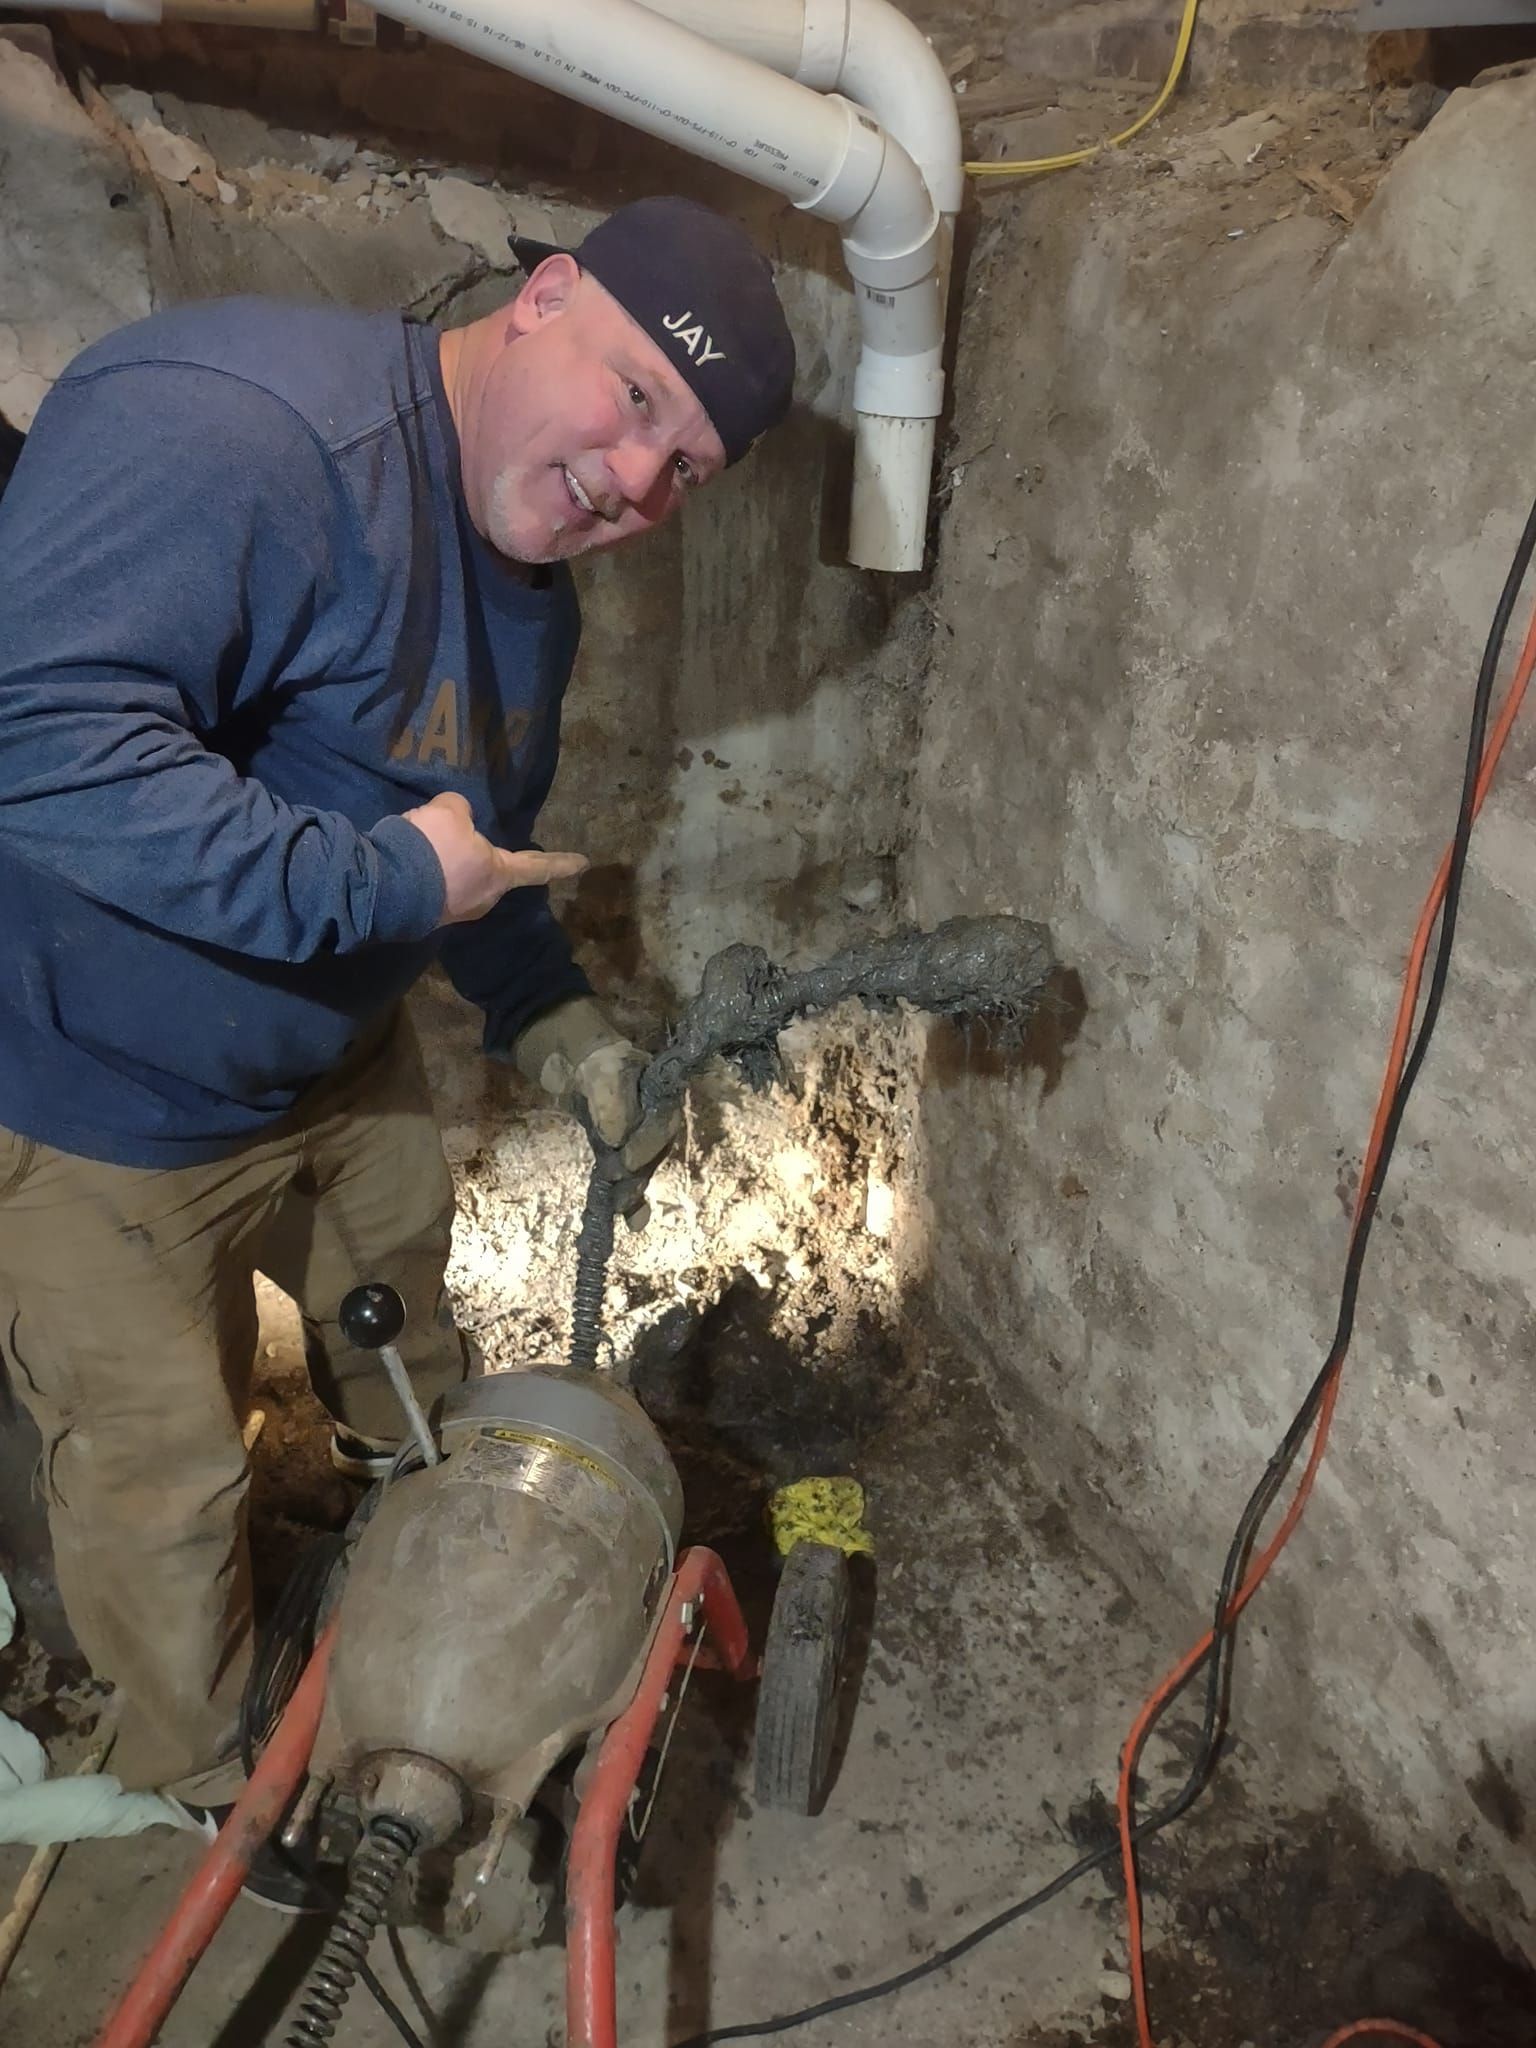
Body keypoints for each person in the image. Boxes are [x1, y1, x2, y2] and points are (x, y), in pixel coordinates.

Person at [0, 195, 795, 1873]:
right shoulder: (241, 431)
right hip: (96, 1099)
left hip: (336, 1070)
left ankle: (401, 1519)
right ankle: (214, 1780)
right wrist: (380, 881)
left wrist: (547, 1008)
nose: (638, 482)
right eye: (637, 396)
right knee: (162, 1484)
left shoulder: (530, 587)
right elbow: (40, 746)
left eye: (688, 468)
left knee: (405, 1333)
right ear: (546, 296)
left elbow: (467, 844)